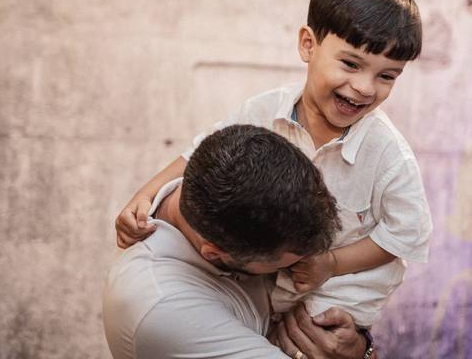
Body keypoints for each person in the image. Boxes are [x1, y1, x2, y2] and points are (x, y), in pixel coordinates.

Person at [116, 0, 433, 327]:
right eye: (350, 64)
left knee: (308, 341)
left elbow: (406, 234)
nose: (365, 87)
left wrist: (332, 263)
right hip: (265, 286)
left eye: (387, 76)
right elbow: (200, 152)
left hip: (334, 294)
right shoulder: (264, 110)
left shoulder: (389, 155)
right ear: (308, 45)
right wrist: (144, 195)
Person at [103, 124, 374, 359]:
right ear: (214, 253)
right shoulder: (167, 310)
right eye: (288, 265)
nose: (309, 265)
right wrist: (360, 353)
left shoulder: (225, 176)